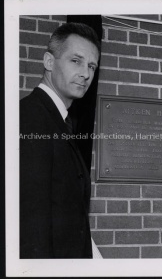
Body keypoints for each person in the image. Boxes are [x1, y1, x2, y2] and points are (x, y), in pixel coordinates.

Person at [20, 22, 100, 258]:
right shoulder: (29, 118)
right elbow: (30, 229)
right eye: (76, 60)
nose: (86, 73)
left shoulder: (59, 121)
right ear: (49, 62)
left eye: (92, 66)